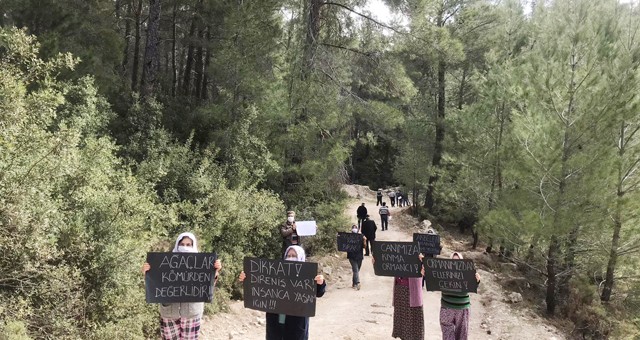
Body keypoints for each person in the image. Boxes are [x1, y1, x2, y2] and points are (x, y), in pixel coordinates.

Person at [142, 232, 222, 340]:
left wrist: (214, 271)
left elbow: (208, 286)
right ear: (177, 244)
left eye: (188, 244)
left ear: (193, 246)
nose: (185, 247)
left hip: (192, 313)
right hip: (169, 312)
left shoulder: (202, 262)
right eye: (182, 244)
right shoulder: (165, 262)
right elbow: (155, 284)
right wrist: (147, 273)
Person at [239, 246, 326, 340]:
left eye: (294, 255)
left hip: (296, 326)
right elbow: (259, 285)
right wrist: (246, 278)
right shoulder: (275, 273)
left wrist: (321, 283)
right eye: (288, 255)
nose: (291, 257)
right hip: (275, 325)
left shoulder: (307, 275)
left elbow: (319, 292)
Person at [372, 254, 425, 340]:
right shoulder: (397, 259)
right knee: (402, 322)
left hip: (413, 295)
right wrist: (377, 262)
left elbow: (430, 271)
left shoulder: (418, 259)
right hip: (400, 293)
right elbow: (385, 266)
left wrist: (423, 262)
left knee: (413, 321)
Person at [440, 252, 481, 340]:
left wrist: (477, 281)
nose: (455, 263)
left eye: (458, 261)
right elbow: (434, 282)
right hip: (446, 307)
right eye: (453, 260)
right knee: (447, 334)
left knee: (462, 334)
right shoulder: (443, 273)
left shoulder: (466, 273)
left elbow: (472, 287)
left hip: (462, 308)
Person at [346, 224, 366, 290]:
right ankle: (357, 283)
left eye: (355, 227)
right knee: (356, 270)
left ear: (357, 229)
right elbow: (344, 245)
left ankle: (354, 283)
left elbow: (364, 246)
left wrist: (364, 240)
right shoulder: (348, 236)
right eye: (353, 227)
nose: (354, 228)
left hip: (359, 256)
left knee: (357, 270)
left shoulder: (361, 236)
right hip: (351, 256)